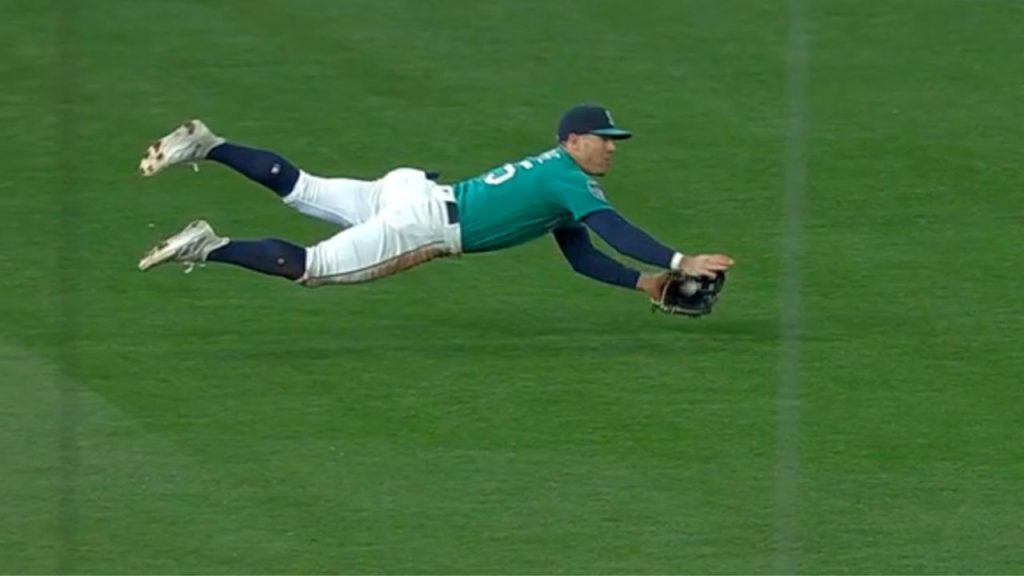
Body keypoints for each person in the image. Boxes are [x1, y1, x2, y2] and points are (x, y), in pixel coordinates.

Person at [136, 104, 734, 302]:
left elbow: (581, 254)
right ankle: (208, 246)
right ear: (572, 141)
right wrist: (681, 261)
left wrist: (645, 284)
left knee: (306, 189)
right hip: (422, 221)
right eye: (604, 140)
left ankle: (208, 146)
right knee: (309, 268)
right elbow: (615, 227)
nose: (610, 149)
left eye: (613, 142)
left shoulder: (557, 180)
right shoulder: (570, 182)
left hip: (412, 189)